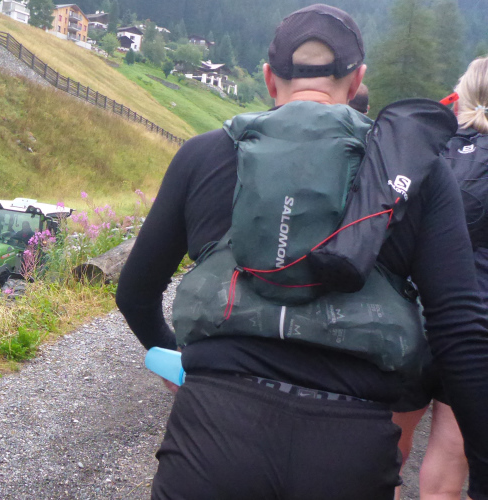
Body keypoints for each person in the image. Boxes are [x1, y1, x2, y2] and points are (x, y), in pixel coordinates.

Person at [115, 5, 488, 500]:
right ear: (357, 81)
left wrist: (181, 363)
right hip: (349, 452)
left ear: (270, 79)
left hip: (210, 437)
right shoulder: (419, 173)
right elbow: (460, 331)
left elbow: (135, 294)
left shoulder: (201, 155)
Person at [394, 56, 488, 500]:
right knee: (449, 468)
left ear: (461, 92)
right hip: (477, 328)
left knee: (387, 456)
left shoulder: (430, 149)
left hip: (411, 317)